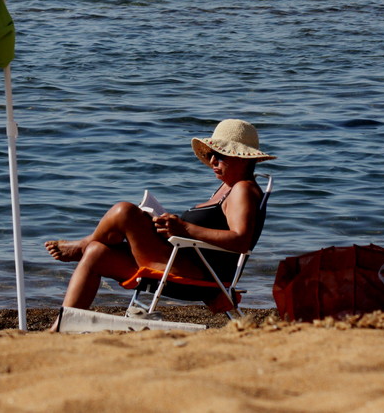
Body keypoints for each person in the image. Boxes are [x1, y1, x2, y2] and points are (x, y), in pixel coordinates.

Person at [44, 119, 275, 329]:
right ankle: (61, 326)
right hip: (183, 262)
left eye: (221, 155)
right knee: (97, 252)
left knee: (124, 211)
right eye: (212, 153)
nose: (213, 160)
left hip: (197, 276)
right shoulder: (227, 187)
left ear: (242, 158)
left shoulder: (242, 189)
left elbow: (241, 239)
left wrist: (184, 228)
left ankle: (81, 245)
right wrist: (169, 227)